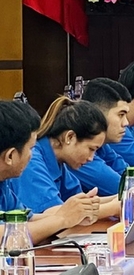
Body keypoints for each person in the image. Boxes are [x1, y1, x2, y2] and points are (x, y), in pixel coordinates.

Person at [0, 100, 104, 242]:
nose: (32, 154)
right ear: (10, 156)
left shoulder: (3, 183)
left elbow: (27, 219)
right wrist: (62, 219)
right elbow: (7, 237)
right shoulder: (34, 164)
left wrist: (75, 216)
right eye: (30, 148)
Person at [17, 97, 120, 223]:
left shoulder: (60, 163)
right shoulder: (31, 161)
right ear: (69, 137)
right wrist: (113, 208)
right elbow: (55, 216)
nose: (91, 158)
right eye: (91, 149)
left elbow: (78, 204)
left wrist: (121, 198)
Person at [72, 78, 133, 197]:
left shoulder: (104, 145)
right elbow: (120, 188)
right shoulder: (78, 148)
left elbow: (131, 178)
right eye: (121, 115)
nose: (126, 123)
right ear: (98, 114)